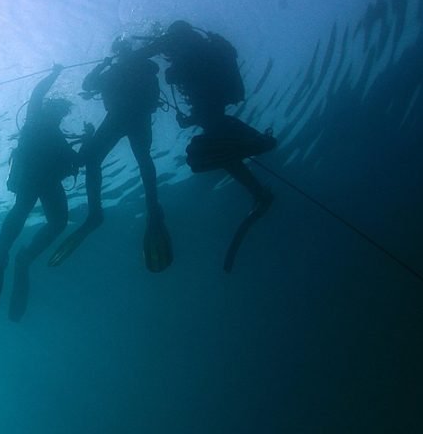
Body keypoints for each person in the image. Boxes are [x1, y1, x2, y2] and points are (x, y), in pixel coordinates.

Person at [49, 36, 173, 273]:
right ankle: (153, 208)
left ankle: (96, 213)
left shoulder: (116, 70)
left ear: (118, 52)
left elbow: (87, 85)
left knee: (94, 159)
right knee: (144, 160)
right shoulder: (141, 66)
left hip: (117, 118)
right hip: (139, 119)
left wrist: (104, 64)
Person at [160, 20, 276, 272]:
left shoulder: (190, 49)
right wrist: (188, 119)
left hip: (210, 103)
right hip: (211, 105)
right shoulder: (198, 46)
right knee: (220, 151)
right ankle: (258, 192)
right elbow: (205, 107)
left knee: (198, 155)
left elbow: (181, 74)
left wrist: (172, 71)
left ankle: (260, 143)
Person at [0, 65, 80, 319]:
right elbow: (38, 94)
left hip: (37, 178)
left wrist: (54, 74)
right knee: (44, 217)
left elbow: (75, 159)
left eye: (61, 115)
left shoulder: (48, 129)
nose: (60, 117)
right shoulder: (37, 120)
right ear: (54, 111)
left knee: (40, 215)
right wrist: (54, 74)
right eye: (59, 113)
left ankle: (9, 256)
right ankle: (15, 256)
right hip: (38, 177)